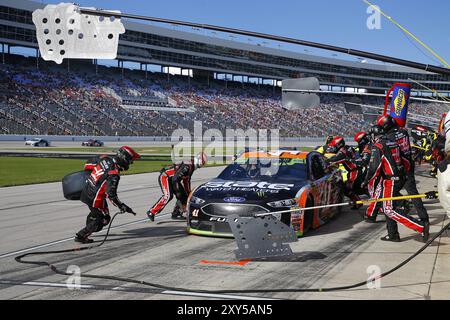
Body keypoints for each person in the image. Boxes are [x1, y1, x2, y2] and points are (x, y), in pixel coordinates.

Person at [363, 133, 429, 242]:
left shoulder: (378, 146)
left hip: (391, 180)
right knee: (385, 204)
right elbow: (405, 160)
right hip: (398, 177)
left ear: (375, 135)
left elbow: (374, 168)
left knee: (388, 209)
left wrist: (366, 181)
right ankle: (393, 234)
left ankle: (420, 226)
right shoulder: (393, 143)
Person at [75, 146, 141, 244]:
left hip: (86, 190)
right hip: (95, 198)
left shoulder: (105, 158)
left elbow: (88, 165)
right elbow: (111, 195)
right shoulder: (114, 174)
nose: (130, 163)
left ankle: (92, 223)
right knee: (104, 219)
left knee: (97, 213)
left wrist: (93, 179)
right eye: (130, 160)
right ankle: (81, 235)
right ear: (124, 158)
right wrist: (122, 206)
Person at [378, 115, 430, 225]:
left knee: (388, 194)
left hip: (401, 167)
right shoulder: (404, 131)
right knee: (413, 193)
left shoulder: (390, 137)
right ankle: (423, 217)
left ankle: (404, 212)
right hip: (409, 163)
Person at [147, 152, 207, 221]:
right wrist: (178, 191)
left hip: (173, 179)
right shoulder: (187, 166)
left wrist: (188, 193)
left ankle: (176, 213)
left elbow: (186, 181)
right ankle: (152, 212)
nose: (202, 165)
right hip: (165, 177)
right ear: (198, 160)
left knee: (184, 195)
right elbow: (175, 179)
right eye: (202, 162)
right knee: (168, 196)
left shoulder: (191, 166)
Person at [326, 136, 362, 209]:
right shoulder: (348, 147)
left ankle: (359, 202)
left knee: (348, 189)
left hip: (354, 171)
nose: (333, 148)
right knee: (353, 188)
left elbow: (333, 160)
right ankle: (358, 202)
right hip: (356, 170)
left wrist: (325, 161)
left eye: (334, 146)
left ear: (338, 144)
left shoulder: (342, 152)